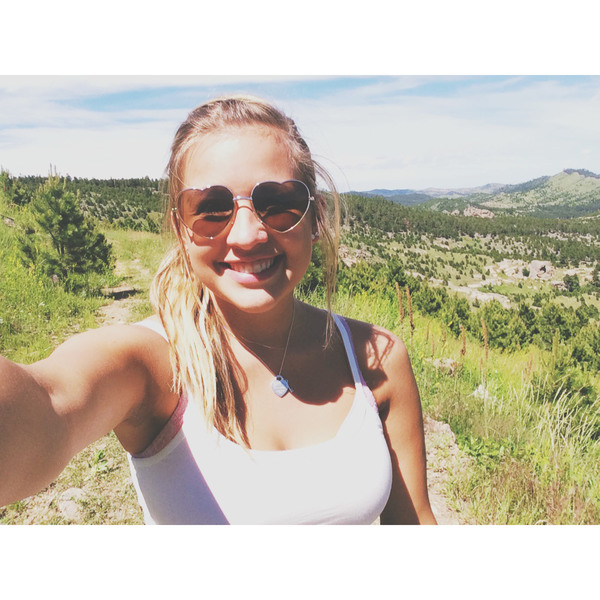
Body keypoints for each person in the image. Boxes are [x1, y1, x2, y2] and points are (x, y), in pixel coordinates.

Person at [0, 95, 437, 525]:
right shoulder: (151, 365)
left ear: (314, 217)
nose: (247, 236)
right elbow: (48, 404)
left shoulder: (377, 359)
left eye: (278, 203)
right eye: (211, 209)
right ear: (181, 229)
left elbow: (415, 523)